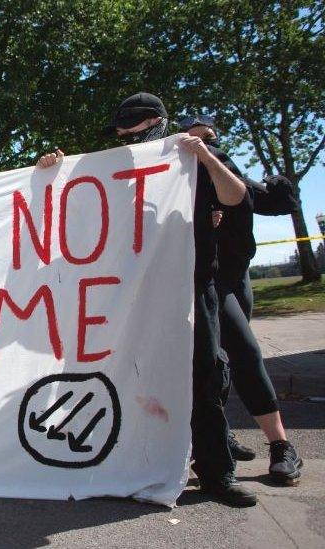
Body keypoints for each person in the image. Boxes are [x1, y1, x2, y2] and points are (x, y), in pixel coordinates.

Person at [38, 92, 255, 506]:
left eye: (131, 131)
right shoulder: (106, 171)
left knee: (204, 378)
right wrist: (49, 173)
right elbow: (65, 213)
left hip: (191, 289)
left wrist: (207, 158)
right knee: (127, 378)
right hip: (129, 295)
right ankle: (130, 464)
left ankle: (215, 474)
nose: (124, 139)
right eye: (119, 133)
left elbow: (237, 198)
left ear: (157, 123)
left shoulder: (190, 160)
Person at [180, 116, 304, 485]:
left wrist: (207, 157)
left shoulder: (221, 167)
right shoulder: (172, 181)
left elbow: (256, 197)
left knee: (239, 355)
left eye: (211, 139)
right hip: (205, 279)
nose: (205, 143)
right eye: (195, 138)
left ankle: (281, 446)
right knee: (221, 358)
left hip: (235, 277)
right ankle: (224, 437)